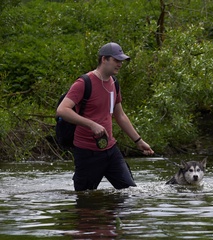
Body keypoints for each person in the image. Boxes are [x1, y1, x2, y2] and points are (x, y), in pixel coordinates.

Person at [56, 42, 154, 191]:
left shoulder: (114, 83)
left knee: (130, 193)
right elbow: (62, 110)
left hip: (111, 150)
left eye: (121, 61)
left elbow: (120, 115)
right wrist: (91, 124)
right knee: (85, 201)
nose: (120, 64)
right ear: (104, 59)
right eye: (116, 60)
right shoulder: (84, 83)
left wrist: (138, 141)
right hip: (87, 153)